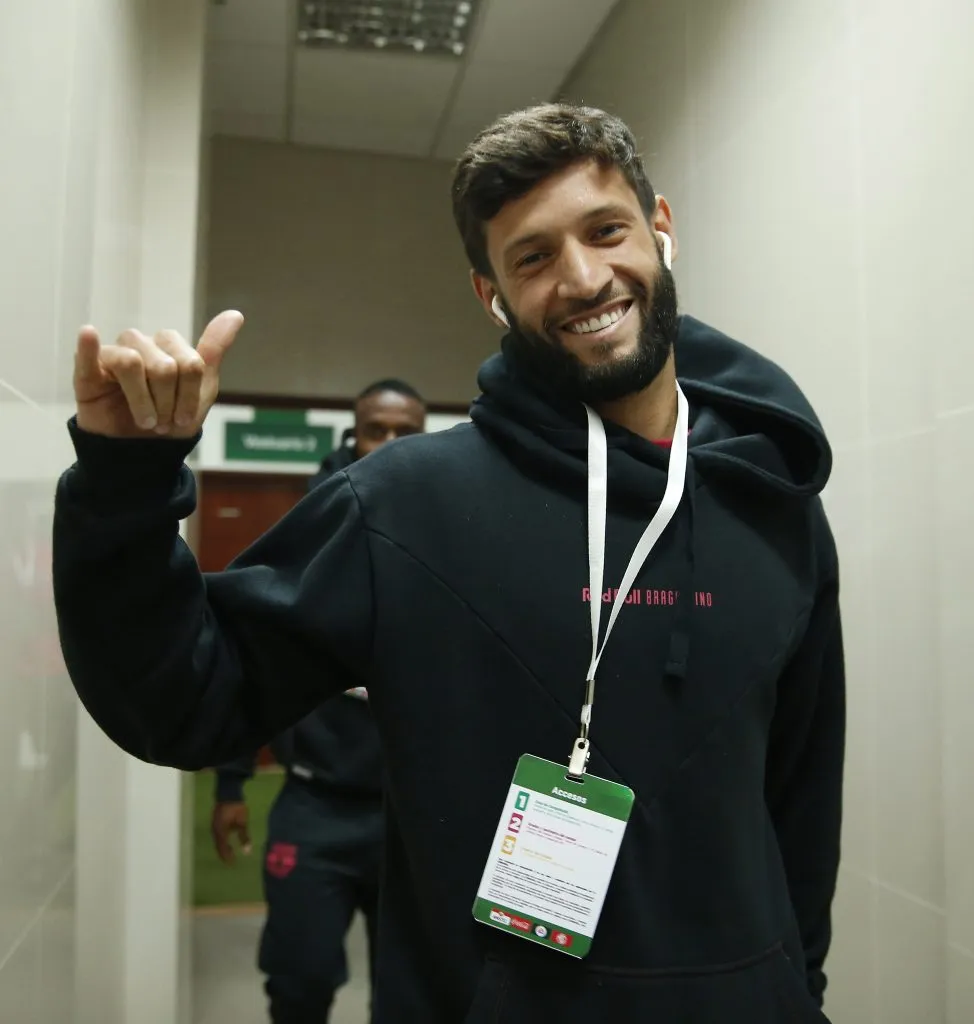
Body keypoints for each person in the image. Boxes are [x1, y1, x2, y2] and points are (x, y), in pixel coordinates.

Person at [53, 104, 844, 1023]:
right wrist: (124, 481)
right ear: (491, 295)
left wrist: (800, 993)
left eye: (606, 230)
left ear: (660, 227)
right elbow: (183, 701)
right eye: (534, 257)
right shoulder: (403, 506)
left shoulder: (773, 500)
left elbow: (802, 797)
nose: (585, 278)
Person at [210, 379, 426, 1023]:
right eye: (375, 430)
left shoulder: (444, 529)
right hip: (316, 805)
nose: (387, 444)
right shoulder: (311, 528)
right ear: (352, 434)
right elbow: (257, 663)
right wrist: (230, 785)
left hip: (410, 812)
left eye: (404, 432)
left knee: (413, 994)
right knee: (298, 983)